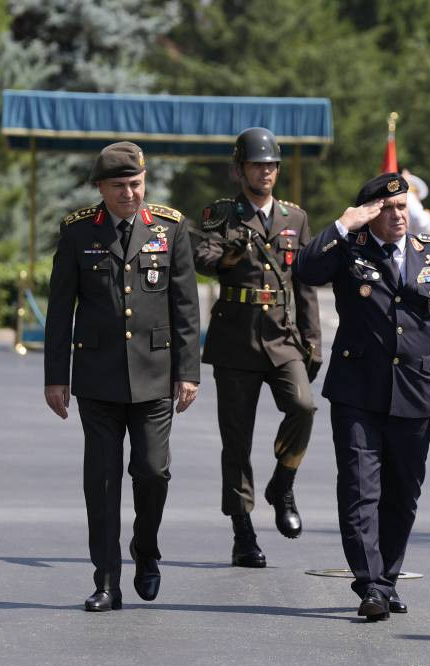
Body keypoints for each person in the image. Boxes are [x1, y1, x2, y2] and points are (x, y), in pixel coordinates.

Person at [293, 172, 430, 621]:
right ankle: (369, 584)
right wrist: (343, 223)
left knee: (403, 493)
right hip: (357, 391)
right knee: (358, 490)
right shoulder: (348, 248)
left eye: (402, 207)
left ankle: (387, 579)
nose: (398, 216)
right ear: (370, 212)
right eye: (387, 209)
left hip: (414, 391)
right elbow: (305, 270)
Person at [44, 141, 200, 612]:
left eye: (136, 184)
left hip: (154, 376)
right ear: (101, 188)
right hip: (97, 376)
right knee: (103, 480)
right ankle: (106, 580)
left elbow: (186, 307)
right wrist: (56, 377)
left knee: (153, 472)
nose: (130, 194)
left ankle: (146, 548)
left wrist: (187, 372)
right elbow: (59, 311)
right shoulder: (77, 233)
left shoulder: (170, 229)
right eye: (120, 187)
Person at [194, 127, 321, 567]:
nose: (264, 173)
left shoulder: (295, 218)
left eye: (270, 166)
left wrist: (313, 341)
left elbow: (303, 282)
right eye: (255, 165)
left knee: (303, 407)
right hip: (235, 338)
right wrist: (228, 255)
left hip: (282, 336)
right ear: (239, 169)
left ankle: (282, 484)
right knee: (237, 441)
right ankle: (243, 530)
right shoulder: (222, 213)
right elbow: (205, 259)